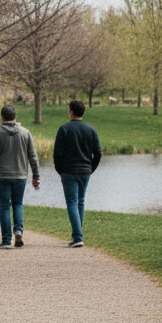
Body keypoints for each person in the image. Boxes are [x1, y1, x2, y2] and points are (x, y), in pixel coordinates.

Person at [0, 104, 40, 249]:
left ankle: (6, 239)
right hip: (20, 175)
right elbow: (33, 157)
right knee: (18, 203)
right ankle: (18, 230)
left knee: (4, 206)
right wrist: (36, 175)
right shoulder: (25, 133)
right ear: (15, 116)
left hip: (2, 176)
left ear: (2, 117)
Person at [53, 99, 102, 248]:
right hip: (85, 172)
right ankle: (77, 235)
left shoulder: (64, 129)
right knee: (80, 201)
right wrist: (90, 169)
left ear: (71, 112)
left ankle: (78, 237)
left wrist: (60, 170)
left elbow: (57, 154)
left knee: (72, 202)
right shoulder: (91, 130)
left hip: (69, 171)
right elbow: (98, 153)